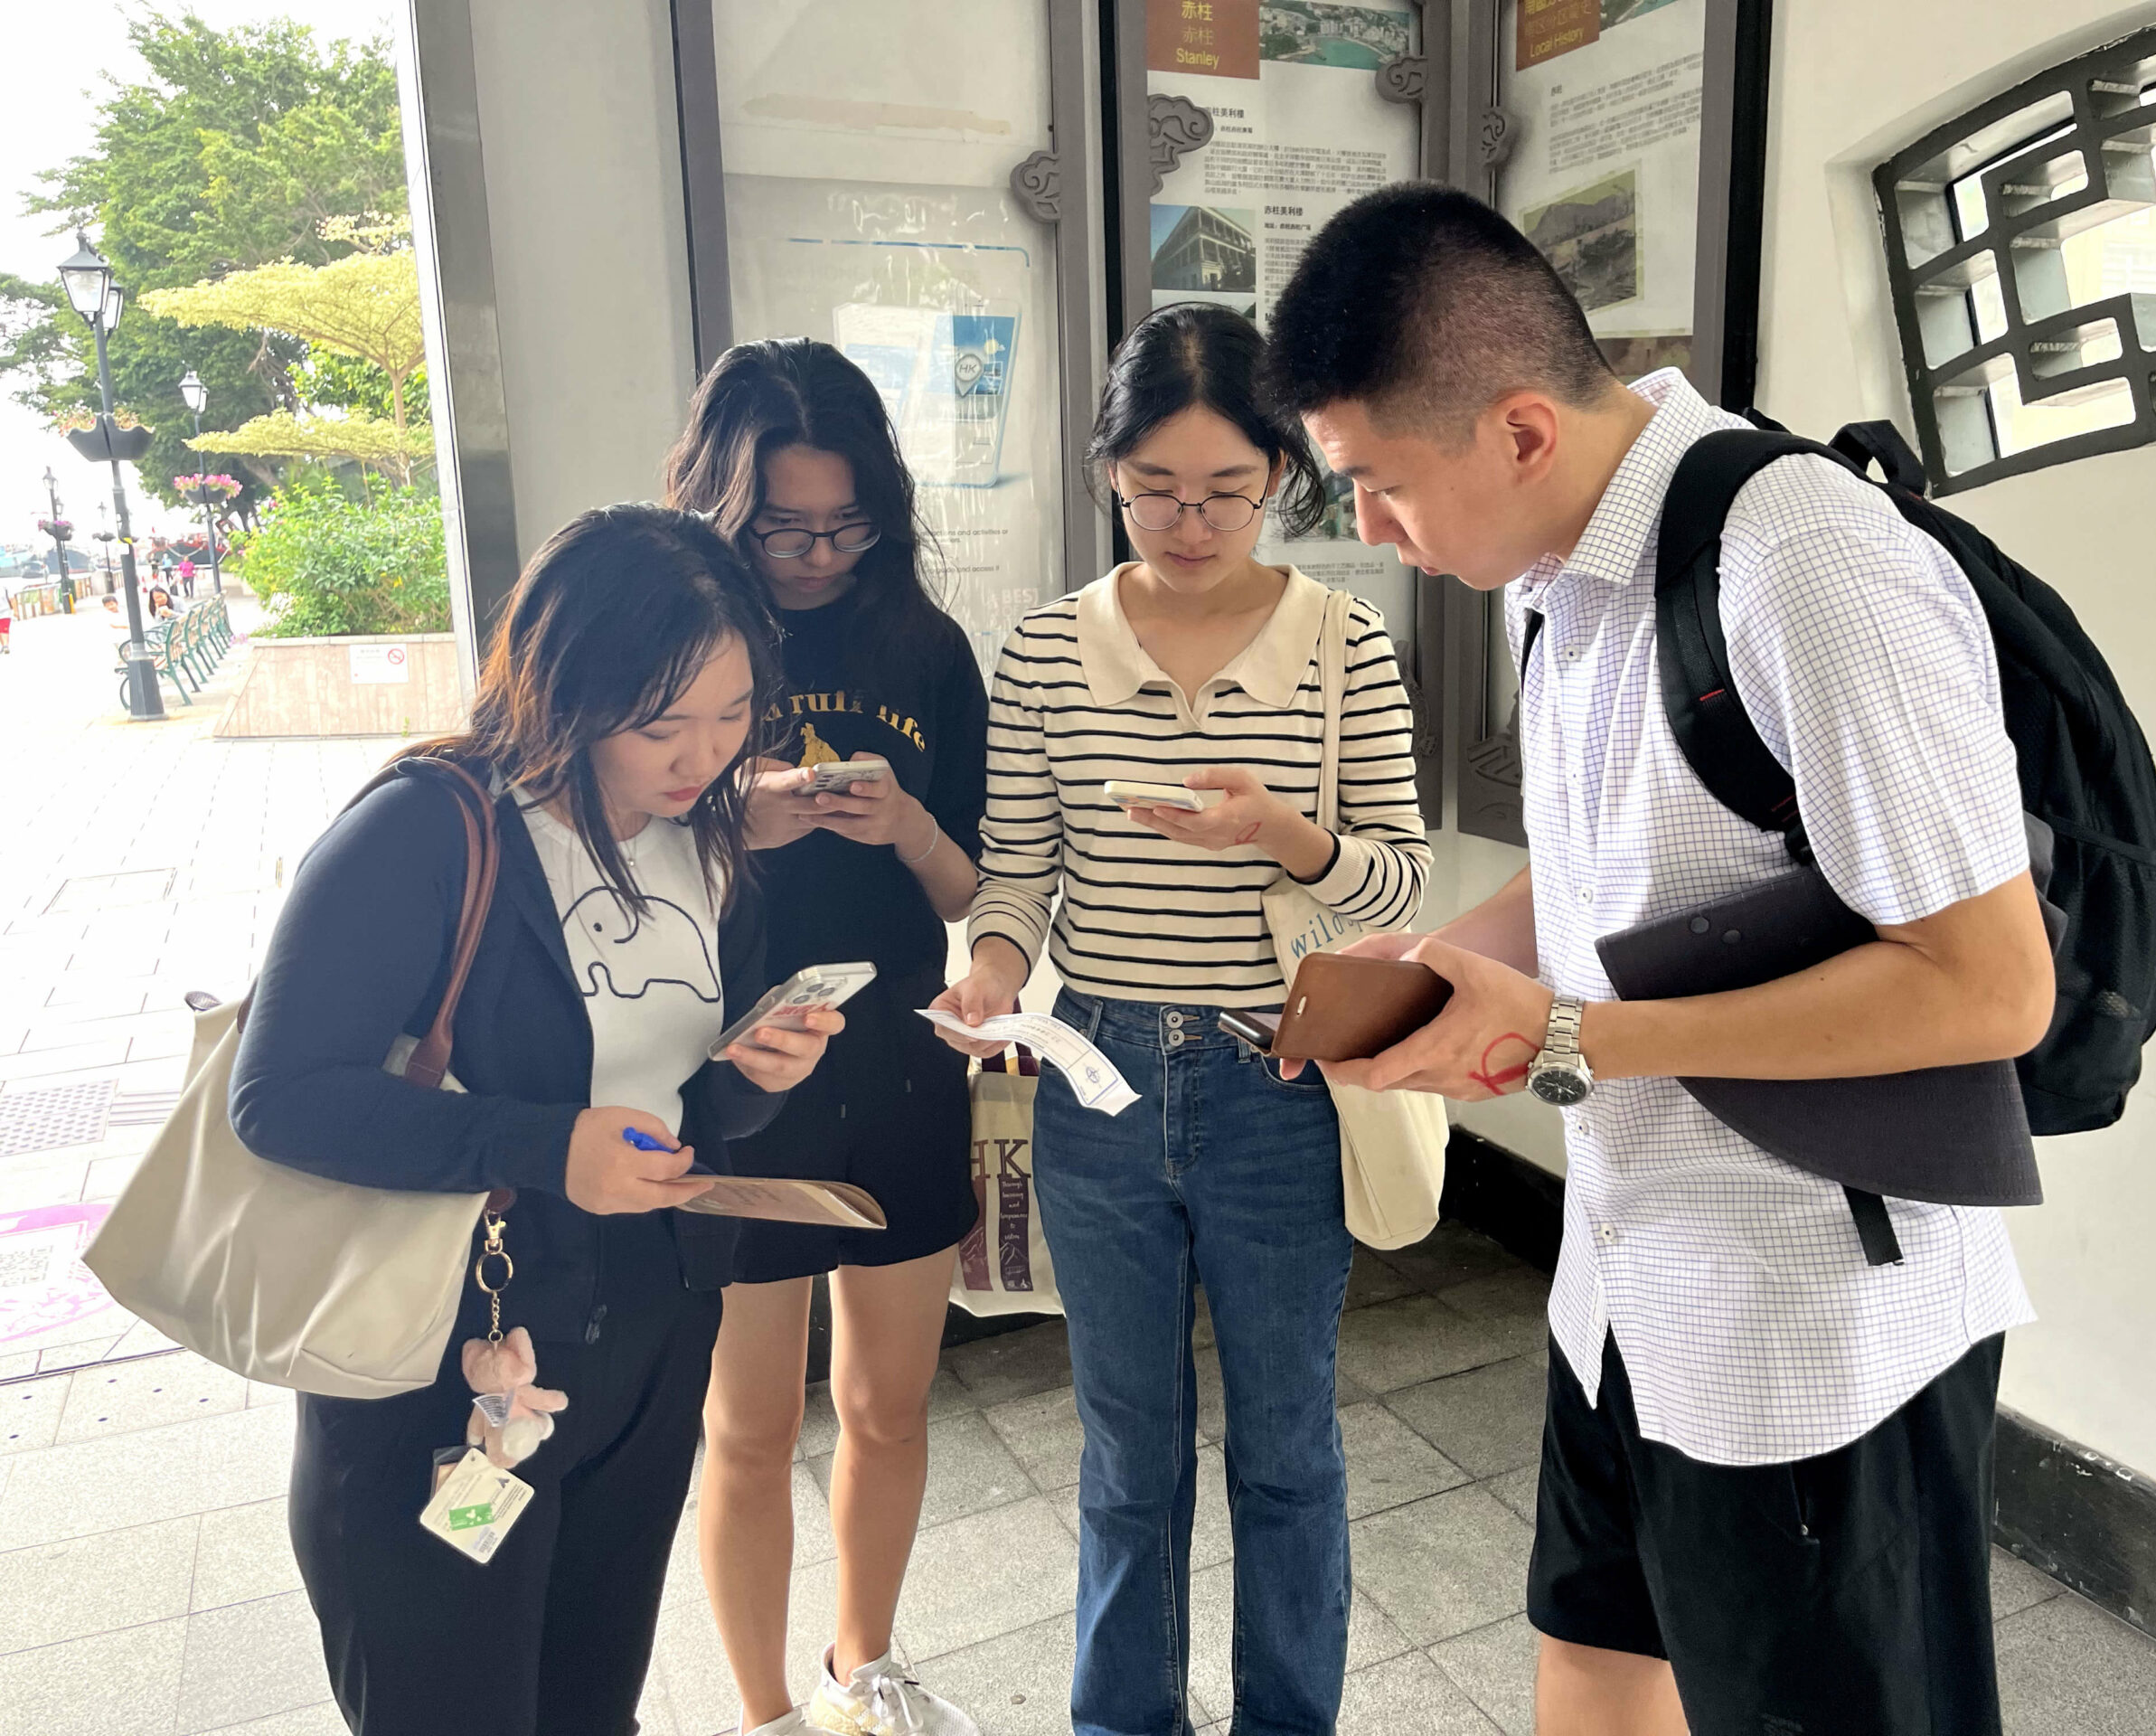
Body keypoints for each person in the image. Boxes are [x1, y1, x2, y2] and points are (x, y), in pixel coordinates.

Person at [1262, 183, 2055, 1736]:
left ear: (1520, 431)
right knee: (1597, 1674)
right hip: (1632, 1290)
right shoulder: (1556, 577)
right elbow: (1610, 863)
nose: (1365, 528)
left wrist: (1569, 1037)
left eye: (1377, 484)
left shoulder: (1803, 565)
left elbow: (1986, 984)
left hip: (1817, 1327)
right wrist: (1427, 963)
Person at [229, 505, 841, 1736]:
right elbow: (278, 1095)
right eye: (663, 722)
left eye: (733, 716)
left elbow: (683, 1098)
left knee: (588, 1709)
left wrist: (757, 1078)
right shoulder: (432, 828)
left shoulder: (703, 840)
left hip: (646, 1348)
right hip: (448, 1369)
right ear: (566, 682)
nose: (705, 756)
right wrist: (539, 1145)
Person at [933, 302, 1433, 1736]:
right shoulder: (1044, 652)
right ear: (1110, 472)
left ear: (1282, 472)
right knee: (1125, 1455)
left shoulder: (1344, 646)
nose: (1191, 521)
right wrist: (989, 969)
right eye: (1156, 488)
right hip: (1096, 1080)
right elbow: (1018, 875)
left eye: (1225, 489)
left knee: (1286, 1450)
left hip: (1277, 1081)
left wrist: (1288, 835)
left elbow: (1398, 872)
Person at [663, 338, 989, 1736]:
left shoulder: (925, 644)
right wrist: (735, 816)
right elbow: (595, 850)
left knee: (888, 1406)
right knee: (741, 1427)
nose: (810, 553)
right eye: (778, 525)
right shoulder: (673, 643)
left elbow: (986, 890)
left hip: (900, 1072)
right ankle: (763, 1712)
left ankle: (866, 1667)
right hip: (730, 1081)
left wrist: (907, 825)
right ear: (718, 506)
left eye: (842, 524)